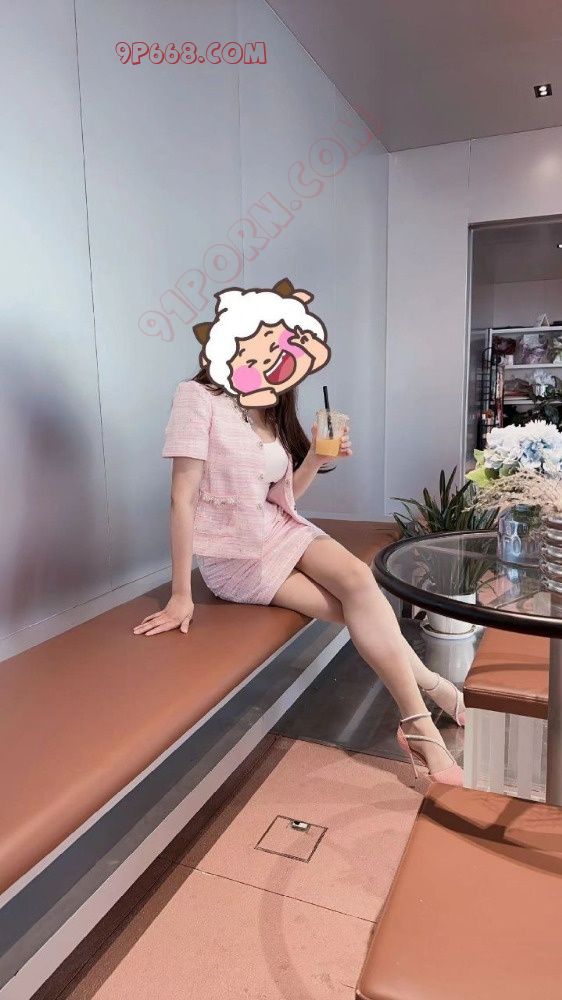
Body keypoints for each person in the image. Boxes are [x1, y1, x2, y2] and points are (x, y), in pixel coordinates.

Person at [133, 366, 464, 786]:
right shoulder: (198, 396)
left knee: (359, 582)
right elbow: (182, 497)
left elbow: (280, 498)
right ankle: (429, 701)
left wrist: (316, 459)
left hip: (282, 528)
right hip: (236, 558)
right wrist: (182, 594)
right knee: (358, 610)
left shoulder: (272, 402)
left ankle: (421, 714)